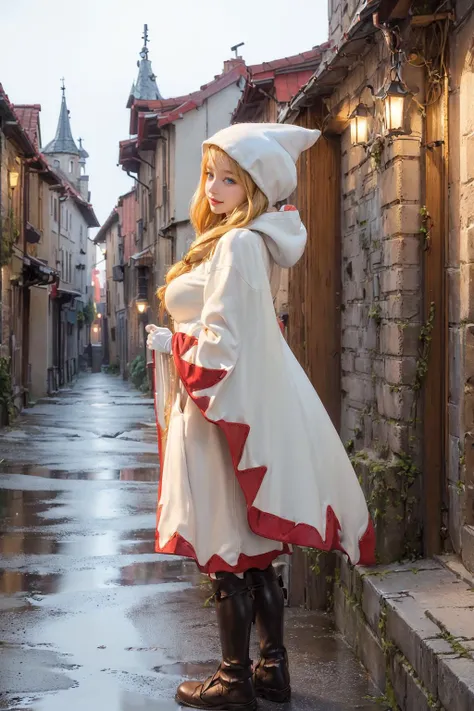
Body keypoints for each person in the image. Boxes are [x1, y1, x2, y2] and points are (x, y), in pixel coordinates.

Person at [146, 123, 375, 710]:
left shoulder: (238, 244)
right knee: (255, 557)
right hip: (226, 410)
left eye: (230, 178)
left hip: (219, 415)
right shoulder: (239, 240)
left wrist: (176, 347)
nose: (215, 187)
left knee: (229, 552)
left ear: (254, 188)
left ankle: (234, 679)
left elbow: (223, 343)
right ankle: (270, 672)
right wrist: (174, 342)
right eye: (210, 175)